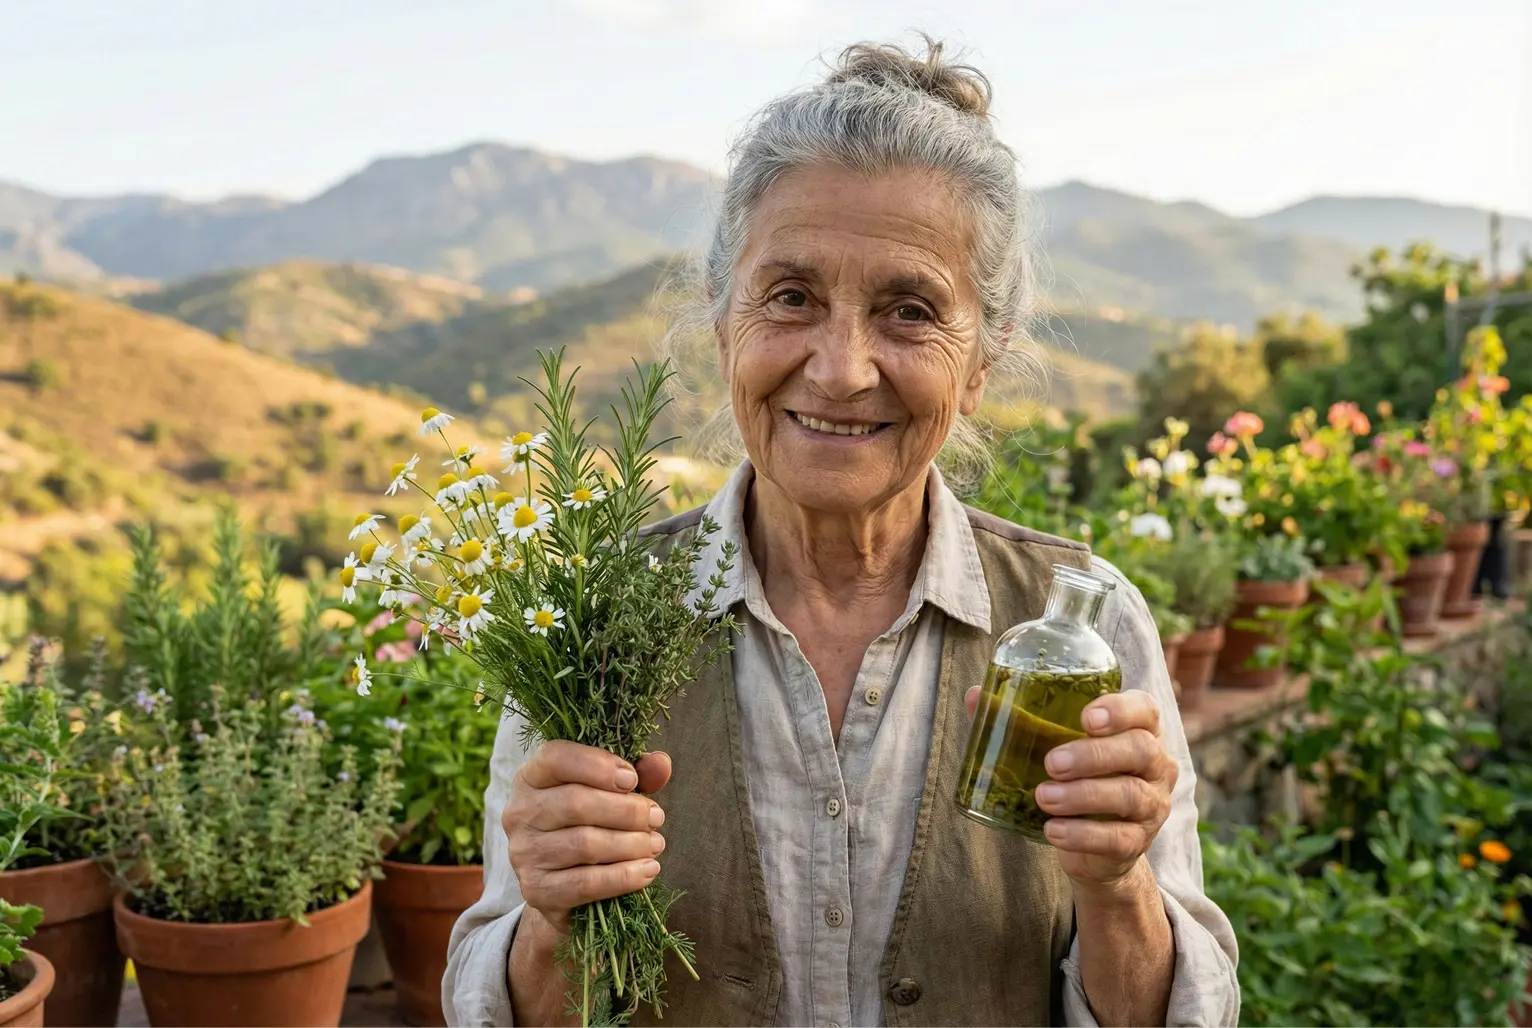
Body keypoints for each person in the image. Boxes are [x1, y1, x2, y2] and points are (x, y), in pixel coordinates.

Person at [444, 36, 1239, 1027]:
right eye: (791, 297)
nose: (839, 367)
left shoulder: (1081, 628)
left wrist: (1117, 884)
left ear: (982, 356)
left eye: (908, 311)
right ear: (722, 313)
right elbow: (503, 1007)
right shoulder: (590, 622)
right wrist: (552, 919)